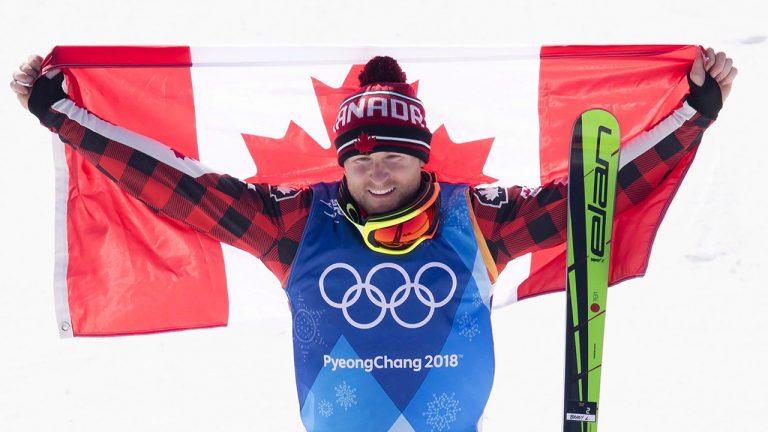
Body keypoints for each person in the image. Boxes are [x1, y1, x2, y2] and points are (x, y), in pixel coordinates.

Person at [10, 49, 736, 431]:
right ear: (341, 159)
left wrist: (694, 112)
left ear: (424, 156)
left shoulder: (476, 220)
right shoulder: (297, 225)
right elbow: (184, 191)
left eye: (392, 153)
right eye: (360, 155)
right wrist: (61, 114)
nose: (376, 169)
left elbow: (587, 199)